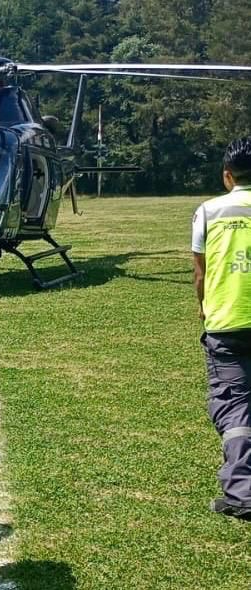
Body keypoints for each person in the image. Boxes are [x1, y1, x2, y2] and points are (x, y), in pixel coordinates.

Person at [193, 137, 251, 521]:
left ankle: (243, 494)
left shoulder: (209, 211)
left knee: (234, 410)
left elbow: (201, 272)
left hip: (227, 322)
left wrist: (203, 306)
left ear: (227, 176)